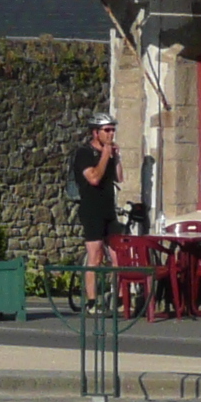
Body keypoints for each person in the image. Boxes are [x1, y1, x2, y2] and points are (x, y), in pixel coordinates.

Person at [70, 116, 120, 291]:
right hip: (91, 210)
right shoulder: (84, 153)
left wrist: (116, 157)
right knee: (96, 255)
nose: (111, 134)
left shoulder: (110, 153)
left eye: (113, 130)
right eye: (107, 130)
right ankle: (91, 300)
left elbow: (119, 178)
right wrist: (105, 156)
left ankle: (120, 298)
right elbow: (94, 178)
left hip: (108, 209)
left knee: (118, 255)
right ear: (95, 133)